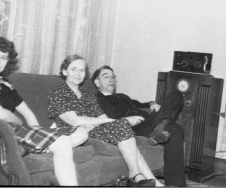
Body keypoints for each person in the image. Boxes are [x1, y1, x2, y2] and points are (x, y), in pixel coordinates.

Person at [48, 54, 163, 187]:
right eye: (73, 69)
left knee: (121, 126)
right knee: (121, 126)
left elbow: (102, 118)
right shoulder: (59, 92)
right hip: (74, 133)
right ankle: (137, 176)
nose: (78, 74)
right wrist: (97, 122)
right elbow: (74, 120)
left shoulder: (88, 95)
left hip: (92, 129)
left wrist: (107, 122)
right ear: (64, 72)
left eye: (82, 70)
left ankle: (147, 179)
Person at [0, 37, 88, 186]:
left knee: (82, 132)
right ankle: (46, 146)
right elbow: (3, 115)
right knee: (62, 143)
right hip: (6, 133)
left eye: (3, 57)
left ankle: (42, 146)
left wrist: (36, 128)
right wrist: (14, 119)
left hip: (17, 129)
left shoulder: (6, 84)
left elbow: (27, 113)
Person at [91, 65, 187, 187]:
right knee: (174, 128)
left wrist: (152, 104)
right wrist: (126, 120)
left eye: (113, 77)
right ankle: (162, 124)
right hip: (129, 129)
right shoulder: (96, 100)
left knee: (176, 96)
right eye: (106, 77)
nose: (111, 79)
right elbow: (103, 121)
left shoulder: (122, 96)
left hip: (147, 122)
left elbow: (140, 104)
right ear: (97, 82)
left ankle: (175, 184)